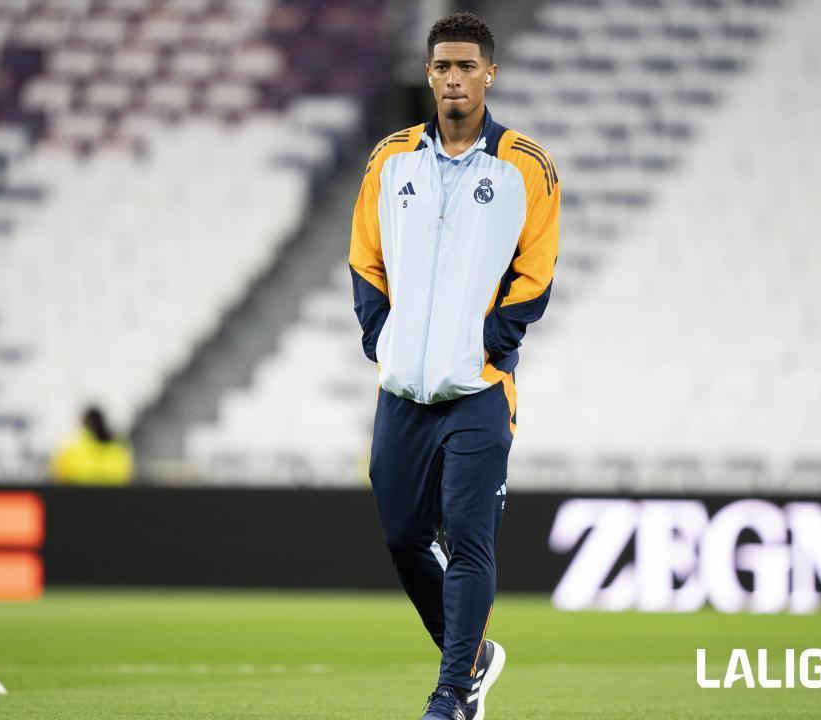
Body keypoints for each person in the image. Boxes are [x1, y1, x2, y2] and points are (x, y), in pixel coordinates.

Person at [349, 12, 559, 720]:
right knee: (402, 535)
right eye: (443, 66)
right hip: (402, 390)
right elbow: (364, 258)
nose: (454, 78)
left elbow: (537, 273)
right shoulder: (390, 159)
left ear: (489, 73)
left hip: (477, 392)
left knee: (468, 542)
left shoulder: (525, 165)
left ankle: (452, 696)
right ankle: (473, 655)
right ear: (430, 72)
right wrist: (384, 337)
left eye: (468, 66)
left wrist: (490, 343)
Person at [51, 406, 133, 486]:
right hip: (112, 497)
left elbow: (59, 476)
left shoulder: (72, 447)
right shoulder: (119, 449)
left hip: (78, 497)